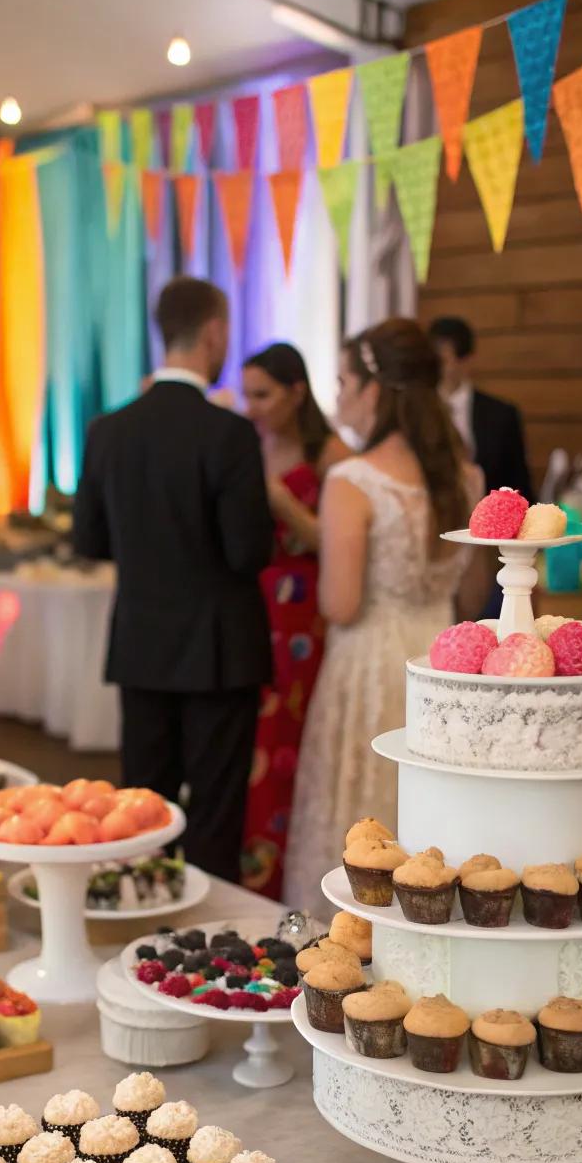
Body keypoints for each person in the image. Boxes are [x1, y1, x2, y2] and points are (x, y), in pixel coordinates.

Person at [72, 277, 274, 881]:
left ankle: (142, 922)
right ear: (214, 332)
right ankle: (209, 945)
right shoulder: (229, 433)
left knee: (145, 802)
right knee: (215, 809)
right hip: (219, 647)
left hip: (142, 641)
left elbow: (89, 542)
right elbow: (248, 553)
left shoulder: (109, 429)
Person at [284, 319, 482, 917]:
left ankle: (343, 943)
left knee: (358, 813)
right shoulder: (464, 476)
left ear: (374, 389)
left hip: (368, 668)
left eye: (344, 380)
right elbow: (472, 601)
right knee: (429, 821)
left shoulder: (353, 481)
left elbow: (339, 605)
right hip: (444, 669)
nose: (338, 396)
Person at [238, 342, 347, 899]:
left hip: (304, 614)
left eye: (263, 394)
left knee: (288, 738)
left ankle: (286, 869)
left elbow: (342, 543)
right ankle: (250, 869)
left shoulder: (329, 454)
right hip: (256, 605)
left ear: (296, 392)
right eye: (246, 394)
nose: (251, 407)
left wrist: (281, 502)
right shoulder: (246, 444)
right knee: (254, 735)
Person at [430, 316, 534, 497]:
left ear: (466, 360)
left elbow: (519, 487)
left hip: (489, 518)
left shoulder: (501, 415)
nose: (436, 368)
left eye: (443, 360)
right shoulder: (416, 412)